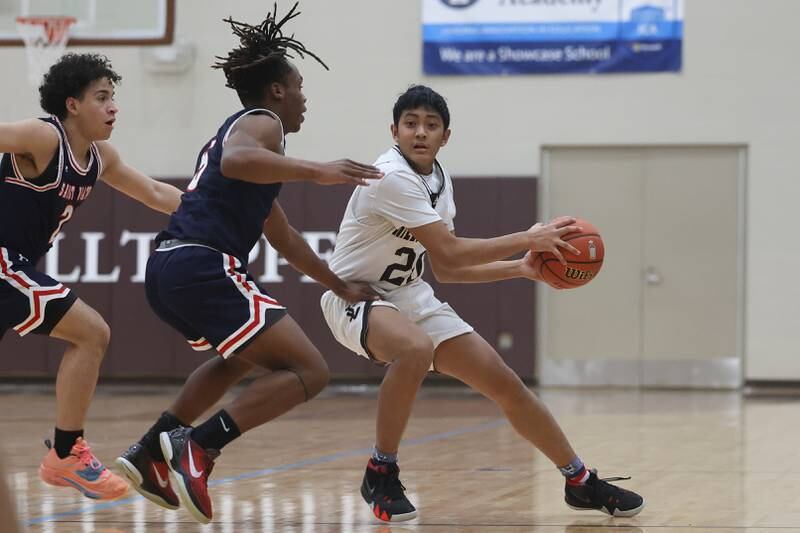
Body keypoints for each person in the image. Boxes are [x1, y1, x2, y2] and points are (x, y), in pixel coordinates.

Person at [319, 85, 646, 522]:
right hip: (353, 294)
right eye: (411, 124)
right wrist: (528, 239)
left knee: (505, 383)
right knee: (414, 347)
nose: (420, 132)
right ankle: (381, 469)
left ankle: (579, 480)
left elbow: (448, 270)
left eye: (430, 125)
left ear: (445, 136)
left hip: (407, 293)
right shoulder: (391, 176)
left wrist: (522, 268)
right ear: (394, 130)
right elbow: (452, 253)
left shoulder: (438, 178)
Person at [116, 5, 382, 524]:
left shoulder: (248, 147)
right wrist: (319, 170)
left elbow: (282, 237)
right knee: (311, 370)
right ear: (278, 91)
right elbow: (238, 159)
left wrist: (339, 284)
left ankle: (150, 451)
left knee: (238, 359)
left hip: (169, 269)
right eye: (299, 86)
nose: (305, 98)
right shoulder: (262, 124)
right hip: (203, 262)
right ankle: (198, 446)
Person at [0, 53, 183, 501]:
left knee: (90, 335)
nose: (113, 107)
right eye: (102, 97)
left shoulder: (100, 157)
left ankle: (65, 455)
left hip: (16, 266)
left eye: (113, 97)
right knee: (91, 332)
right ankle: (65, 454)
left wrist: (217, 209)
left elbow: (157, 193)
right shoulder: (43, 136)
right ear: (73, 105)